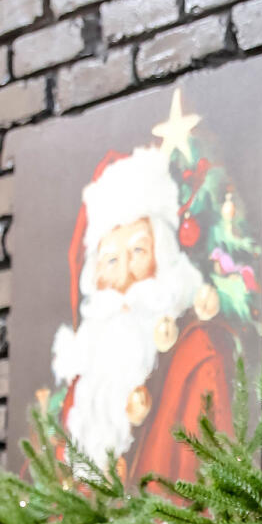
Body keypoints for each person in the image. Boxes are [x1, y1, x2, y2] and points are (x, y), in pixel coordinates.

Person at [45, 135, 233, 487]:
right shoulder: (87, 382)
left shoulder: (197, 354)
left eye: (138, 252)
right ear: (94, 277)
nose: (126, 277)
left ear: (163, 258)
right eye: (111, 260)